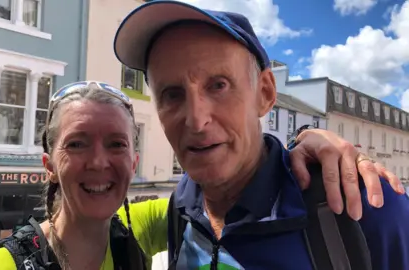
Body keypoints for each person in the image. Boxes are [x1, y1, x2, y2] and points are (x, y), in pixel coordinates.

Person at [0, 78, 401, 270]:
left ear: (134, 162)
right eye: (77, 144)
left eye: (117, 144)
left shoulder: (141, 227)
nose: (100, 162)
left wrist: (306, 144)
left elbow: (232, 182)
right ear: (48, 166)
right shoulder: (5, 264)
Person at [113, 1, 409, 269]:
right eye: (172, 94)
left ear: (266, 93)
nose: (196, 120)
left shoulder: (363, 208)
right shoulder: (182, 206)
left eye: (218, 85)